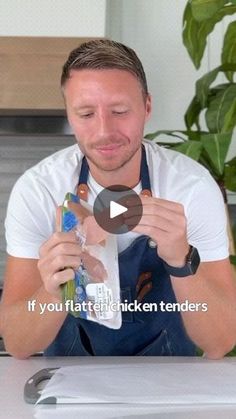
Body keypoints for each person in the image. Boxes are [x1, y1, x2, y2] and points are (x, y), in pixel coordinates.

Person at [1, 39, 236, 359]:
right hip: (69, 389)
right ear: (69, 116)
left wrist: (181, 261)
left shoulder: (191, 187)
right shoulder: (39, 190)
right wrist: (54, 291)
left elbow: (220, 341)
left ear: (147, 107)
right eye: (85, 113)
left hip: (168, 385)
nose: (104, 131)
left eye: (119, 111)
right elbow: (18, 344)